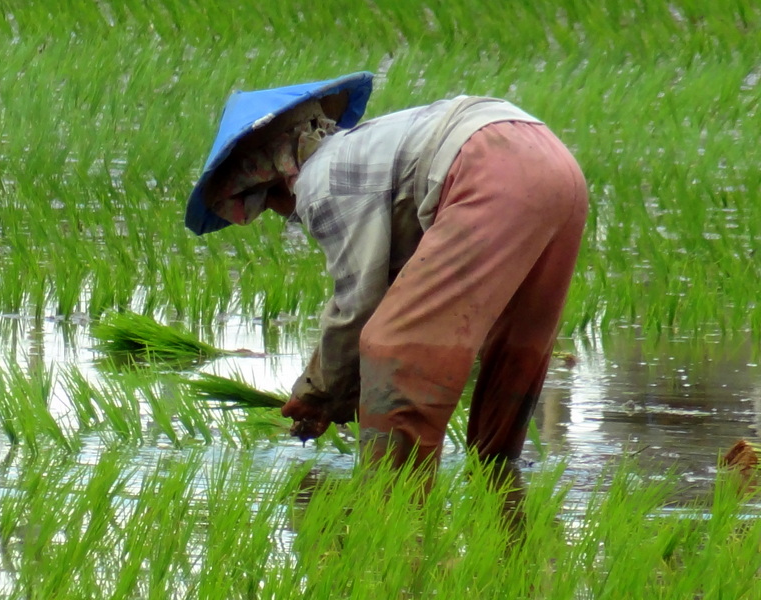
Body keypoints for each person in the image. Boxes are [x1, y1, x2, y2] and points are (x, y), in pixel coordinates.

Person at [186, 72, 588, 471]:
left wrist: (318, 392)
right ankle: (498, 480)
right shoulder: (361, 151)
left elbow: (359, 302)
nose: (279, 214)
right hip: (552, 161)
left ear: (274, 174)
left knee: (393, 345)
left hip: (489, 167)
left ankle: (391, 506)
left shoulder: (320, 179)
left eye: (264, 204)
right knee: (514, 346)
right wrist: (340, 390)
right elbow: (399, 286)